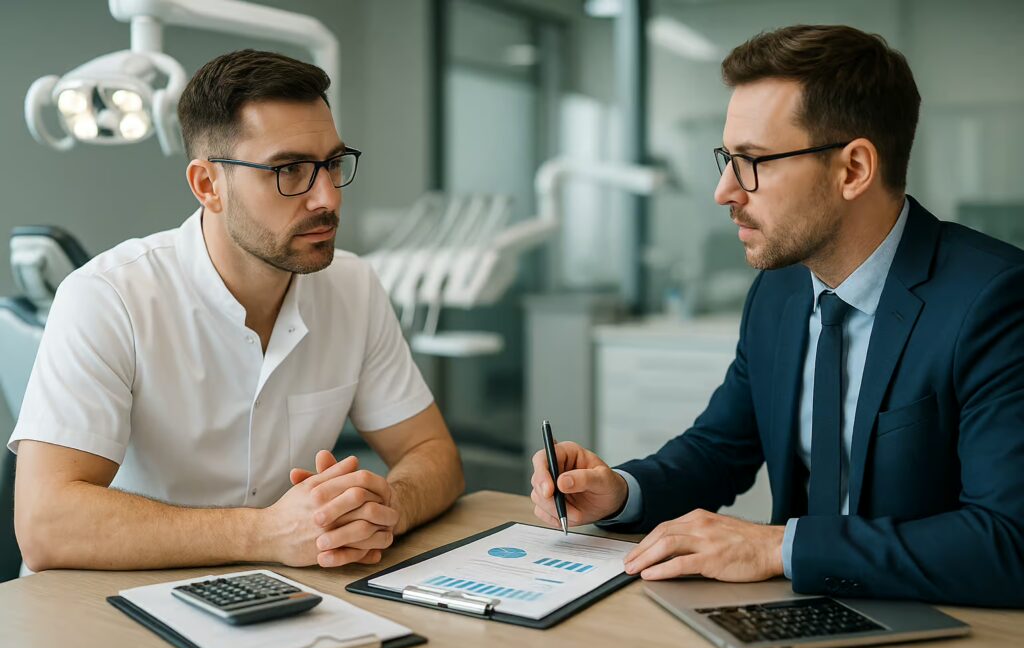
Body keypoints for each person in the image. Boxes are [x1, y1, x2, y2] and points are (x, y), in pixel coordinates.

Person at [530, 25, 1024, 607]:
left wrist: (777, 548)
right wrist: (620, 491)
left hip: (936, 624)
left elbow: (1008, 542)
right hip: (791, 614)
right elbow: (718, 448)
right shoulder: (781, 290)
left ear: (853, 169)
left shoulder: (995, 300)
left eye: (753, 161)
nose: (724, 191)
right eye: (728, 159)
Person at [12, 50, 464, 571]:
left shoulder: (353, 286)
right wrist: (266, 533)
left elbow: (434, 454)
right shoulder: (108, 296)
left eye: (333, 164)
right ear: (208, 186)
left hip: (285, 588)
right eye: (289, 170)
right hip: (106, 599)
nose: (327, 198)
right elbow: (45, 524)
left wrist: (385, 509)